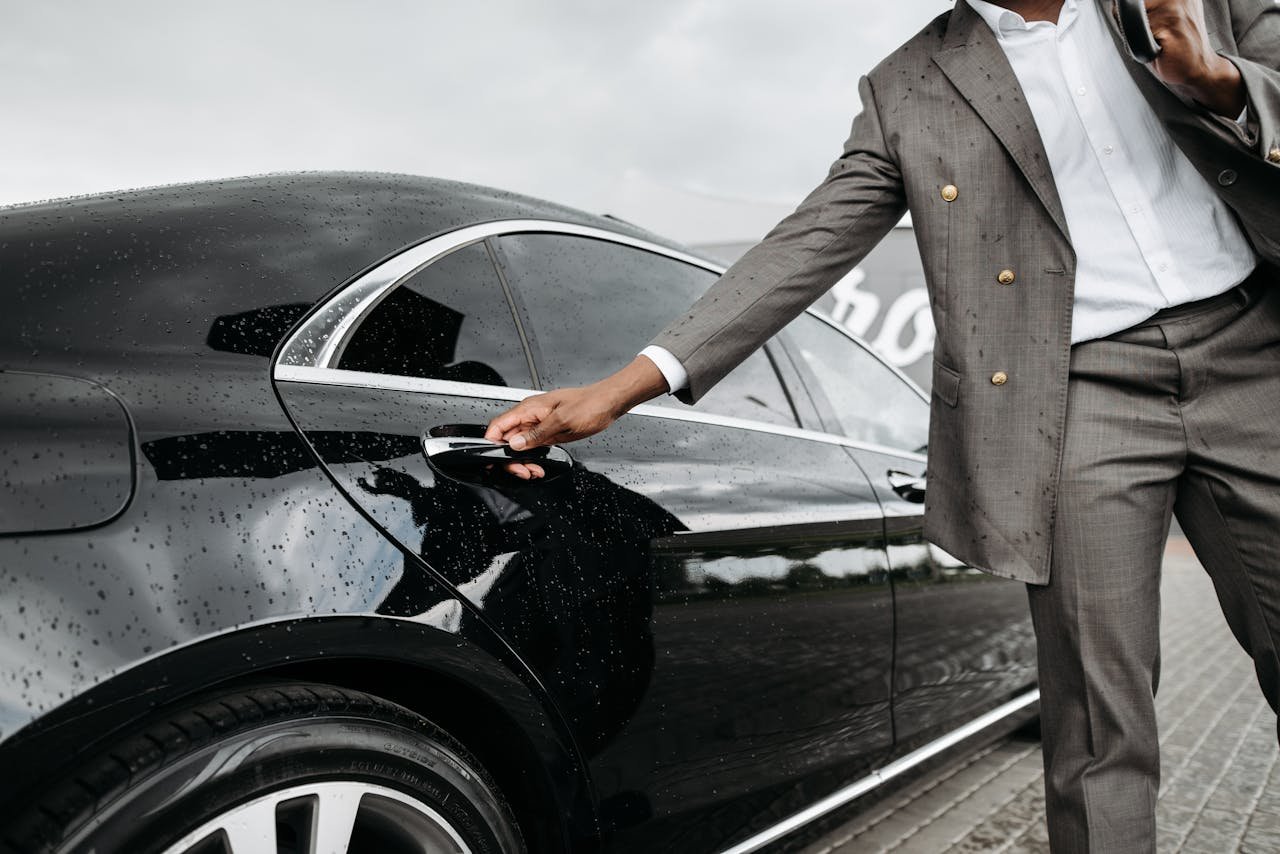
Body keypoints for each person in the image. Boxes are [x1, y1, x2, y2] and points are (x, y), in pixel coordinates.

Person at [486, 0, 1280, 850]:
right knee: (1095, 725)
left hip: (1255, 353)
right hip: (1077, 397)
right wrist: (623, 387)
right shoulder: (910, 83)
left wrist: (1224, 86)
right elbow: (811, 239)